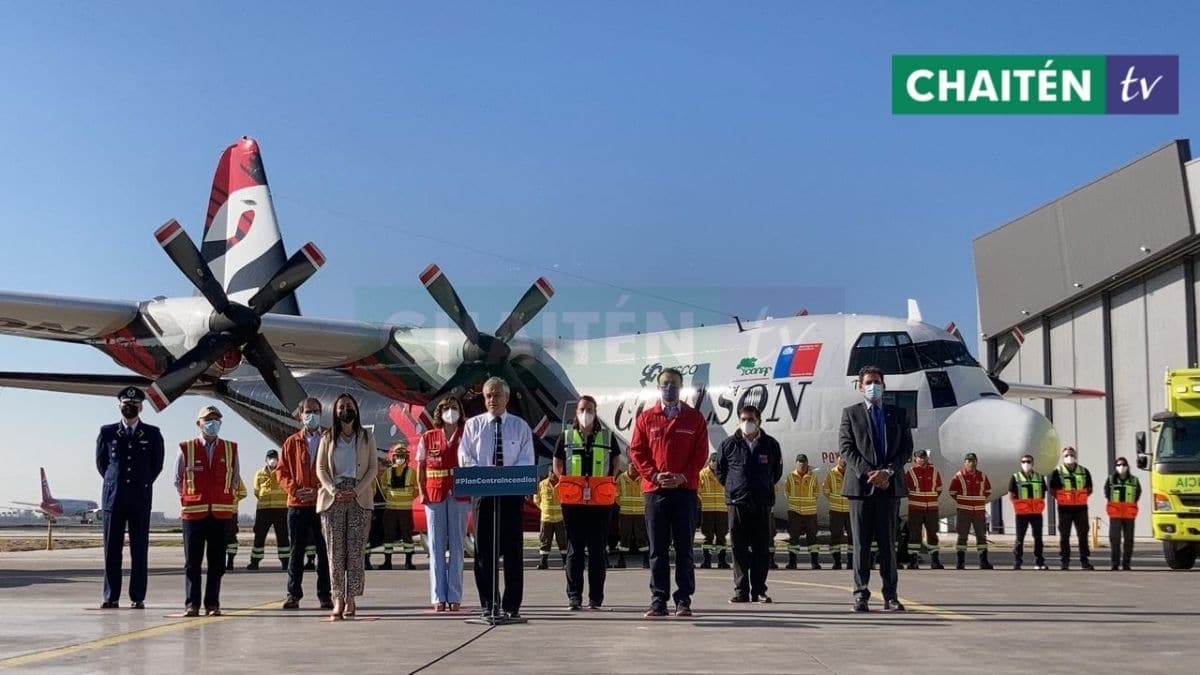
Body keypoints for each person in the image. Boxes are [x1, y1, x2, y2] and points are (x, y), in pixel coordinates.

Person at [628, 367, 709, 618]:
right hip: (655, 492)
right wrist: (653, 475)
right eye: (665, 384)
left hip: (684, 492)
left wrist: (683, 475)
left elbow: (701, 453)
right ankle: (658, 600)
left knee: (684, 548)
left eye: (674, 384)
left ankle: (683, 599)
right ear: (658, 387)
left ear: (681, 387)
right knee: (657, 549)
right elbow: (637, 451)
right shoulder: (646, 419)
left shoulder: (694, 418)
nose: (669, 388)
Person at [459, 376, 536, 619]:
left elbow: (527, 458)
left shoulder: (520, 426)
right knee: (484, 552)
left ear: (507, 397)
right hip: (484, 495)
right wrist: (484, 474)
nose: (493, 399)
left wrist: (508, 475)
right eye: (488, 395)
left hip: (511, 496)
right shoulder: (473, 425)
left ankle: (511, 606)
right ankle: (488, 604)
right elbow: (465, 456)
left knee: (513, 551)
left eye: (497, 395)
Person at [839, 365, 912, 613]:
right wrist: (869, 472)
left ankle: (891, 595)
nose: (873, 386)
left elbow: (906, 449)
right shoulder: (850, 414)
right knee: (860, 544)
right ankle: (861, 594)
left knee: (887, 545)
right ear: (860, 387)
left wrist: (888, 471)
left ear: (884, 384)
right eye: (869, 382)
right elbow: (846, 449)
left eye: (877, 381)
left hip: (889, 487)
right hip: (860, 489)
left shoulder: (898, 414)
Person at [96, 386, 164, 609]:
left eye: (133, 405)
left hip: (139, 498)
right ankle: (111, 596)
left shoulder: (152, 434)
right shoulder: (107, 432)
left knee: (139, 549)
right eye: (125, 404)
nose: (129, 407)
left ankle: (137, 596)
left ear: (141, 407)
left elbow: (156, 465)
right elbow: (102, 464)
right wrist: (114, 483)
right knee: (111, 549)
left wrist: (141, 482)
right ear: (119, 406)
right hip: (113, 498)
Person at [553, 396, 621, 610]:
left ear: (595, 411)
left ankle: (595, 598)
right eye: (582, 409)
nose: (586, 413)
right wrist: (566, 481)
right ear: (576, 412)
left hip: (600, 503)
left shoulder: (607, 436)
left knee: (598, 551)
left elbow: (616, 460)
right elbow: (557, 461)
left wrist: (610, 478)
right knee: (575, 550)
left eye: (589, 409)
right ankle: (574, 597)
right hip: (574, 502)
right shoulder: (566, 436)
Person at [174, 405, 241, 617]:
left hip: (221, 514)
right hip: (194, 514)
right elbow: (178, 480)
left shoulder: (231, 448)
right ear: (199, 424)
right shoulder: (186, 448)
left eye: (216, 419)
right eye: (208, 419)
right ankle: (191, 604)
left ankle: (212, 603)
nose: (213, 423)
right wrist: (189, 498)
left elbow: (235, 478)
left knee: (217, 562)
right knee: (192, 562)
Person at [316, 393, 378, 620]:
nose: (345, 410)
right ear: (334, 411)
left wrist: (357, 490)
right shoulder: (327, 437)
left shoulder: (366, 436)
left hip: (358, 496)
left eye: (349, 406)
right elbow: (320, 468)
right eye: (341, 407)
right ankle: (338, 599)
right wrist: (333, 489)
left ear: (356, 410)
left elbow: (373, 467)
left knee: (355, 551)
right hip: (334, 496)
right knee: (335, 552)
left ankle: (351, 598)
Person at [714, 404, 783, 603]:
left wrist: (763, 486)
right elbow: (720, 471)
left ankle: (759, 590)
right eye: (743, 419)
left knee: (761, 548)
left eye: (751, 419)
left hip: (762, 503)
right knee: (739, 548)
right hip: (737, 503)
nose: (747, 423)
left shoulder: (770, 444)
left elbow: (776, 472)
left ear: (759, 421)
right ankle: (741, 590)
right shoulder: (729, 445)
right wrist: (734, 486)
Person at [277, 397, 333, 610]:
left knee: (324, 551)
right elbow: (281, 471)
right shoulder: (291, 442)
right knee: (296, 551)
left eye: (316, 411)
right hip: (297, 505)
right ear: (300, 415)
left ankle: (325, 594)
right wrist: (295, 490)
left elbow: (334, 470)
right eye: (309, 411)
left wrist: (319, 491)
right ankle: (293, 594)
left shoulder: (329, 440)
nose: (312, 415)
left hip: (322, 505)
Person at [417, 395, 470, 612]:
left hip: (459, 493)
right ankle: (438, 596)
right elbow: (420, 468)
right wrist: (421, 492)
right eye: (447, 408)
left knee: (457, 545)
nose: (451, 411)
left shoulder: (466, 435)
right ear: (440, 412)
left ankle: (455, 596)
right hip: (434, 493)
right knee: (437, 546)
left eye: (454, 407)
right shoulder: (428, 437)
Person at [371, 443, 418, 571]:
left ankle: (409, 562)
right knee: (388, 536)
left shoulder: (411, 473)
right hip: (390, 509)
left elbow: (416, 489)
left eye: (402, 456)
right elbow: (383, 487)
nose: (400, 458)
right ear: (393, 457)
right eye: (398, 456)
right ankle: (387, 562)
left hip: (405, 510)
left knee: (407, 536)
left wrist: (406, 498)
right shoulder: (387, 473)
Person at [1049, 446, 1094, 570]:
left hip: (1081, 509)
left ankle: (1085, 561)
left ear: (1075, 456)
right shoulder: (1057, 472)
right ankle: (1065, 561)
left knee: (1083, 535)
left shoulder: (1084, 471)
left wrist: (1078, 497)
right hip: (1065, 509)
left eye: (1071, 455)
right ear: (1063, 457)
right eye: (1066, 455)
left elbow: (1089, 489)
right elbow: (1052, 490)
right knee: (1064, 536)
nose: (1069, 457)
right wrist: (1066, 498)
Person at [949, 453, 992, 570]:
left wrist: (978, 502)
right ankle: (960, 562)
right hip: (964, 512)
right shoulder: (959, 476)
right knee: (962, 537)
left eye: (973, 461)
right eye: (968, 461)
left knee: (981, 537)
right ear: (964, 463)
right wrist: (963, 502)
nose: (971, 463)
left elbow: (987, 491)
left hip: (978, 512)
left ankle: (984, 562)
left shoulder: (982, 476)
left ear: (976, 462)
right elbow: (952, 492)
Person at [248, 450, 290, 571]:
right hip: (263, 509)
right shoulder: (259, 474)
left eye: (275, 458)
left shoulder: (283, 472)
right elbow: (256, 491)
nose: (273, 460)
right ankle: (254, 562)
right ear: (266, 459)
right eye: (271, 458)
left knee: (283, 536)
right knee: (259, 536)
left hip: (281, 509)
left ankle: (285, 562)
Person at [904, 449, 943, 570]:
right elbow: (907, 489)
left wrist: (930, 499)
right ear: (915, 459)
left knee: (932, 534)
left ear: (927, 458)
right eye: (919, 457)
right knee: (914, 535)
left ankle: (935, 560)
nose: (922, 459)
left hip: (931, 508)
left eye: (924, 457)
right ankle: (913, 561)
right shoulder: (911, 473)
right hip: (916, 509)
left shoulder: (934, 472)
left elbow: (939, 488)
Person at [1009, 453, 1048, 571]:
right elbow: (1011, 495)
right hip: (1022, 514)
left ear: (1033, 463)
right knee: (1020, 537)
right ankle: (1017, 561)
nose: (1026, 464)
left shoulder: (1039, 477)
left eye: (1029, 461)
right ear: (1021, 464)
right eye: (1024, 462)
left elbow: (1043, 493)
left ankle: (1039, 561)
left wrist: (1038, 505)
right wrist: (1019, 506)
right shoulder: (1015, 477)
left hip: (1036, 513)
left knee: (1038, 538)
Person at [783, 454, 820, 570]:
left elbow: (817, 492)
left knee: (812, 539)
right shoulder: (790, 477)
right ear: (796, 464)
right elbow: (786, 492)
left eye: (804, 463)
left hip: (810, 512)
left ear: (807, 463)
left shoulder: (813, 477)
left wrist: (808, 502)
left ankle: (815, 562)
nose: (802, 465)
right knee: (793, 538)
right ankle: (792, 562)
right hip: (795, 512)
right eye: (800, 462)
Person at [1104, 457, 1142, 571]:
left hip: (1129, 514)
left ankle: (1126, 564)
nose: (1121, 467)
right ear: (1115, 467)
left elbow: (1138, 494)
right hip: (1115, 514)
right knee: (1115, 539)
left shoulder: (1134, 480)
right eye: (1119, 465)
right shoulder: (1110, 480)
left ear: (1127, 466)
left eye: (1123, 464)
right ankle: (1115, 564)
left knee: (1128, 540)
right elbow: (1107, 493)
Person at [697, 453, 730, 570]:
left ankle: (722, 561)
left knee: (722, 536)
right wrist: (705, 501)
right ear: (709, 461)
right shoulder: (702, 474)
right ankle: (707, 561)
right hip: (707, 510)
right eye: (713, 461)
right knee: (708, 536)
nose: (715, 464)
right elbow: (698, 490)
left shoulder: (725, 474)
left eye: (717, 461)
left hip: (722, 509)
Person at [615, 463, 649, 569]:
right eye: (632, 467)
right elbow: (616, 494)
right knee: (624, 537)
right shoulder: (621, 478)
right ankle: (621, 561)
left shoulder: (643, 478)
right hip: (625, 513)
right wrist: (623, 504)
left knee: (642, 537)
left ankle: (646, 561)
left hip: (640, 513)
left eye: (636, 467)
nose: (634, 469)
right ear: (628, 467)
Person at [821, 456, 851, 570]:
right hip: (836, 511)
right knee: (835, 537)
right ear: (837, 460)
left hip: (849, 510)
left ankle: (851, 561)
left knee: (852, 537)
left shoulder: (852, 472)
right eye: (841, 459)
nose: (843, 461)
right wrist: (835, 501)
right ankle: (837, 561)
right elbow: (826, 490)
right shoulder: (831, 474)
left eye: (844, 459)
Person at [533, 472, 566, 569]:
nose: (554, 475)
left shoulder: (562, 484)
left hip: (560, 518)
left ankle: (565, 562)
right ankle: (543, 562)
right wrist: (543, 508)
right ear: (549, 473)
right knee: (545, 540)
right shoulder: (542, 484)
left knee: (563, 540)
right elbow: (536, 499)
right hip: (546, 518)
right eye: (553, 473)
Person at [223, 477, 248, 570]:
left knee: (231, 539)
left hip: (230, 512)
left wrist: (233, 499)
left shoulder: (235, 476)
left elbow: (243, 492)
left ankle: (230, 562)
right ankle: (226, 561)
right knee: (226, 539)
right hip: (220, 511)